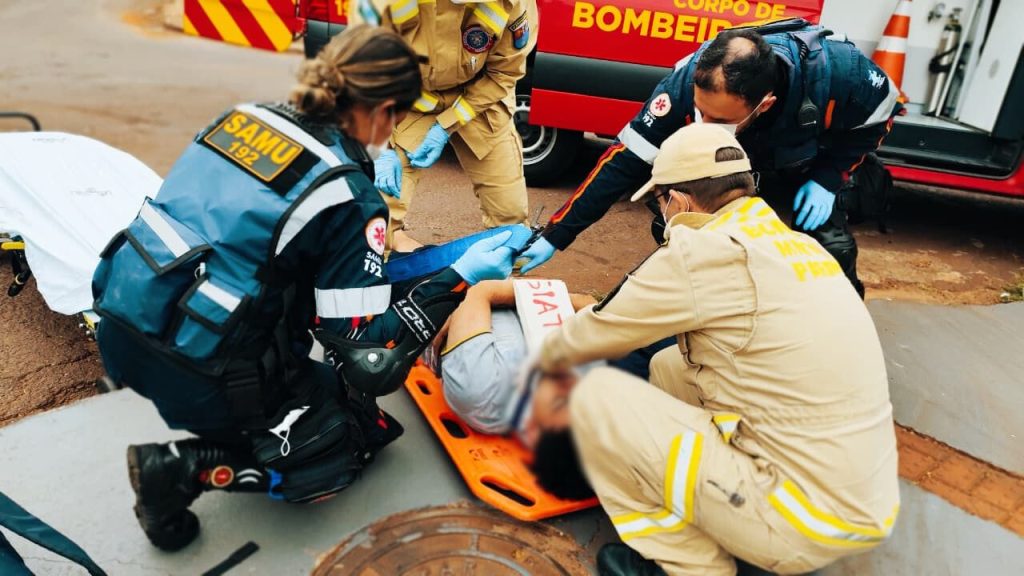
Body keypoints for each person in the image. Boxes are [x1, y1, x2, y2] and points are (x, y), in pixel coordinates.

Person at [90, 26, 518, 552]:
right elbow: (371, 357)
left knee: (340, 395)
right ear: (384, 109)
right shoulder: (347, 197)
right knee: (348, 444)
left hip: (128, 319)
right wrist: (461, 277)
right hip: (200, 372)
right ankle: (184, 469)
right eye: (401, 116)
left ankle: (207, 404)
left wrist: (356, 177)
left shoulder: (241, 117)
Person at [526, 124, 900, 575]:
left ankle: (688, 565)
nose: (661, 214)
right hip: (862, 500)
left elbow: (582, 340)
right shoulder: (795, 244)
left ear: (679, 201)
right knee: (669, 365)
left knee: (594, 399)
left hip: (803, 519)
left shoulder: (701, 251)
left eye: (659, 202)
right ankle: (723, 508)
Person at [519, 18, 903, 297]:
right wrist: (557, 234)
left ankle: (835, 320)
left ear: (764, 104)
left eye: (718, 118)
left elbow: (880, 118)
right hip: (730, 162)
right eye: (700, 112)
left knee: (831, 247)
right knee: (682, 221)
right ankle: (699, 306)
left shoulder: (840, 73)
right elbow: (625, 160)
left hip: (805, 159)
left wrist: (829, 178)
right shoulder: (687, 83)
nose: (703, 122)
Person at [352, 0, 540, 251]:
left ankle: (501, 285)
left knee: (511, 218)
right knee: (377, 215)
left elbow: (504, 73)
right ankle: (381, 272)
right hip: (412, 98)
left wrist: (445, 126)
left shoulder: (514, 2)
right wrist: (379, 147)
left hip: (481, 98)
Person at [427, 278, 596, 437]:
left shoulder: (481, 390)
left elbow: (482, 290)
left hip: (451, 295)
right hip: (477, 298)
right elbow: (587, 302)